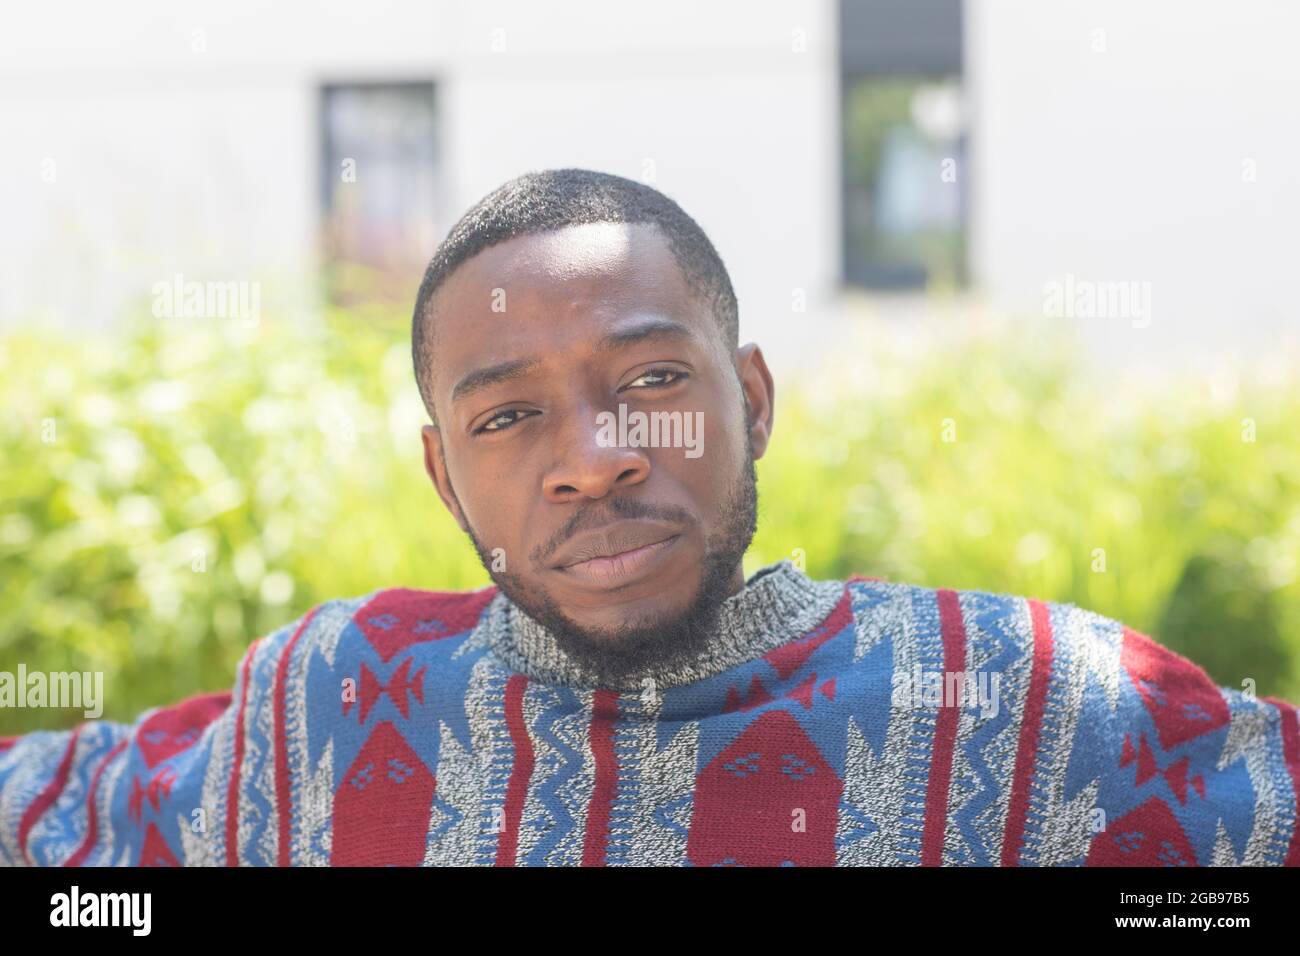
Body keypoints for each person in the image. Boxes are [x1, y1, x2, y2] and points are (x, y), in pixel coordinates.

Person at [2, 169, 1297, 867]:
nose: (594, 461)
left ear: (750, 400)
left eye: (652, 382)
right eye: (508, 418)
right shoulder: (330, 704)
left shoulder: (1024, 701)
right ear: (446, 479)